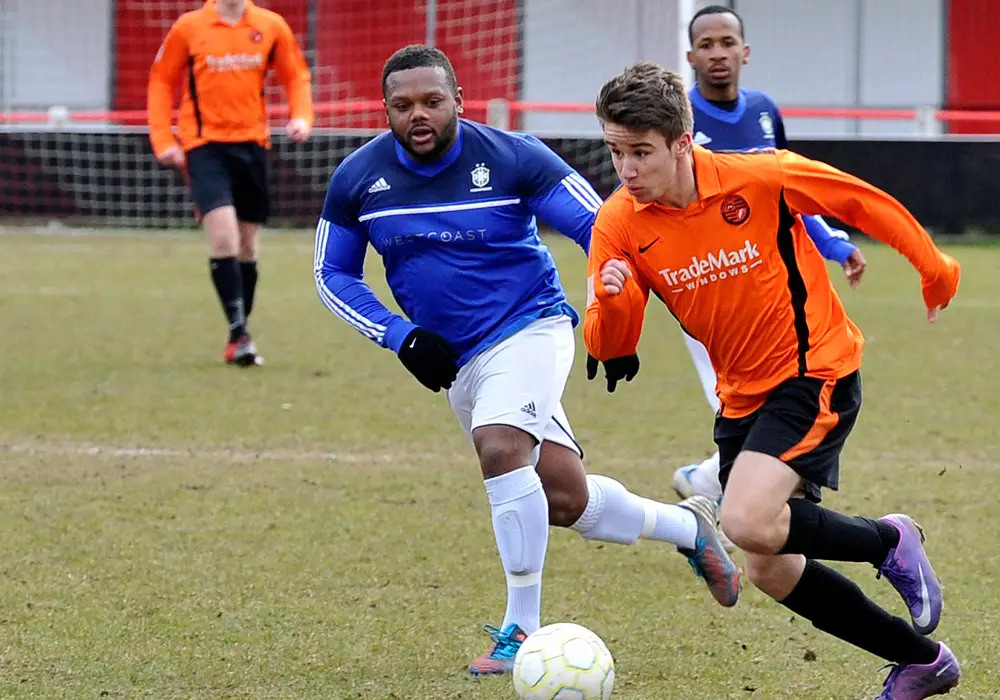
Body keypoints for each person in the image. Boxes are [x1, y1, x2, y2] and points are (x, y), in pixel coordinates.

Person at [314, 45, 741, 677]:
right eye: (403, 106)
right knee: (564, 499)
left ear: (458, 100)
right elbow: (332, 275)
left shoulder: (514, 158)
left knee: (500, 445)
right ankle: (689, 527)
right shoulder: (358, 179)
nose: (419, 115)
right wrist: (399, 335)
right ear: (386, 110)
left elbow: (602, 231)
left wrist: (614, 318)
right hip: (455, 361)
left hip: (531, 327)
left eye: (433, 101)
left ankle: (521, 628)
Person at [584, 62, 961, 698]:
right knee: (769, 565)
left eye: (641, 152)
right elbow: (609, 346)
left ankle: (889, 540)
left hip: (815, 369)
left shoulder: (757, 175)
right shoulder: (619, 223)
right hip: (742, 396)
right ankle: (921, 660)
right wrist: (612, 299)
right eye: (616, 151)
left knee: (747, 521)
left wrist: (932, 265)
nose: (626, 170)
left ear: (682, 143)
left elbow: (858, 199)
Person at [672, 5, 868, 514]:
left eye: (727, 42)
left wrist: (836, 244)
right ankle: (737, 506)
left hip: (774, 291)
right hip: (712, 290)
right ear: (691, 56)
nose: (718, 53)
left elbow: (792, 193)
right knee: (742, 405)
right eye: (707, 45)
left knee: (772, 407)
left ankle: (709, 487)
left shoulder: (763, 110)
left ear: (745, 51)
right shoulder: (682, 123)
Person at [147, 0, 313, 366]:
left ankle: (239, 331)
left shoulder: (270, 26)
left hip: (253, 146)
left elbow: (295, 75)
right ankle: (239, 333)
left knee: (247, 247)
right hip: (203, 146)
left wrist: (302, 116)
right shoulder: (189, 28)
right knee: (224, 236)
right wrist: (164, 140)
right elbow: (161, 81)